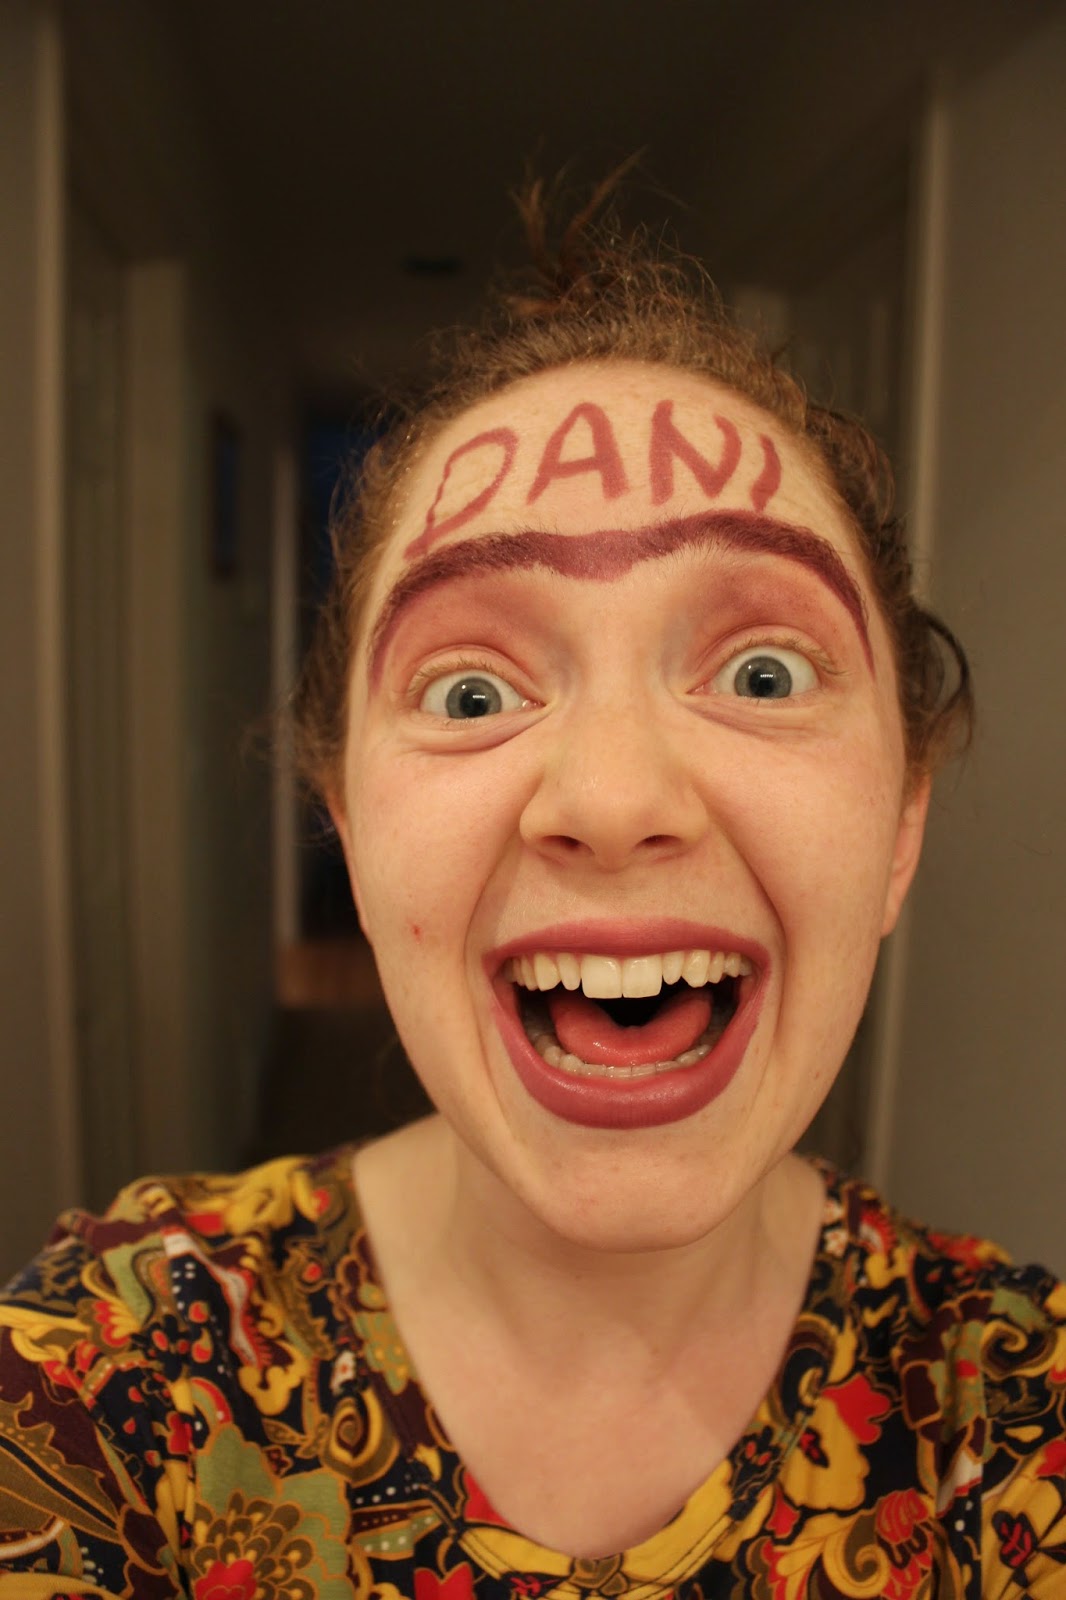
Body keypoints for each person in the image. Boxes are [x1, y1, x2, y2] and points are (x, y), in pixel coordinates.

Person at [0, 184, 1062, 1600]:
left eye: (761, 673)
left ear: (900, 824)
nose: (612, 800)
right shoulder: (108, 1372)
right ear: (352, 829)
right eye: (470, 691)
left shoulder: (1015, 1417)